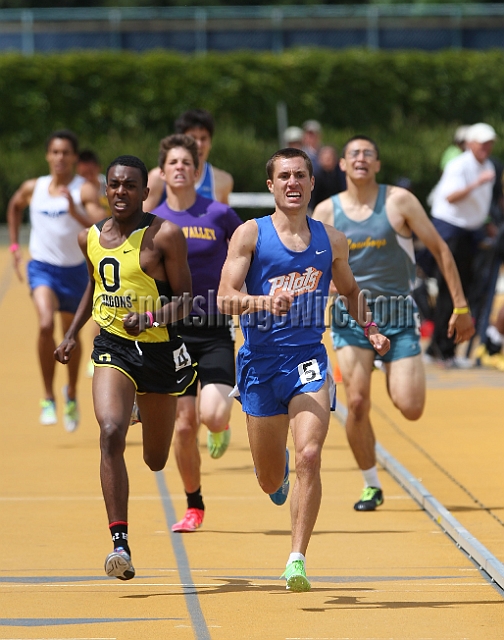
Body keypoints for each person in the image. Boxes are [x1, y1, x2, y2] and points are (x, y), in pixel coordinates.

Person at [217, 147, 390, 591]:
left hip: (308, 359)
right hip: (258, 366)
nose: (293, 183)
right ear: (271, 185)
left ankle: (296, 558)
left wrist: (370, 329)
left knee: (310, 456)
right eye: (284, 177)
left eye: (300, 176)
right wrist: (261, 302)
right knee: (270, 477)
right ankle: (276, 481)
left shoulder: (330, 239)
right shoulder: (249, 235)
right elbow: (224, 298)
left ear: (313, 184)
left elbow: (350, 289)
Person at [312, 135, 475, 512]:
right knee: (355, 401)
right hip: (351, 318)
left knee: (410, 406)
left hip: (398, 315)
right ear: (342, 164)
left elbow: (440, 249)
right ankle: (371, 484)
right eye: (354, 153)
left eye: (369, 153)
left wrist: (461, 306)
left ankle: (393, 370)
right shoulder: (325, 213)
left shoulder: (399, 201)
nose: (361, 159)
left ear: (378, 165)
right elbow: (309, 266)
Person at [54, 155, 195, 581]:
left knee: (154, 459)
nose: (120, 192)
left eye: (129, 185)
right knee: (110, 431)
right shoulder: (89, 237)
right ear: (105, 188)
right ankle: (120, 544)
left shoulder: (164, 235)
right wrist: (72, 333)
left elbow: (189, 301)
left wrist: (151, 318)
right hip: (112, 346)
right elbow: (94, 284)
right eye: (114, 185)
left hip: (158, 353)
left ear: (144, 191)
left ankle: (137, 405)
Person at [151, 133, 242, 533]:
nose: (180, 168)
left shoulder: (219, 214)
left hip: (214, 328)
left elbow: (249, 252)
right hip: (172, 334)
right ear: (163, 171)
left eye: (187, 162)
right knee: (184, 426)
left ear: (197, 168)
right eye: (173, 162)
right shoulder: (150, 220)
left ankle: (220, 427)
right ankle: (194, 504)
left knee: (213, 415)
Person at [7, 129, 105, 431]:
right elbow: (14, 207)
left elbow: (101, 223)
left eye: (66, 153)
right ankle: (48, 396)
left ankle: (72, 393)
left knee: (69, 337)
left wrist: (74, 210)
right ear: (48, 155)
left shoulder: (83, 189)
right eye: (55, 152)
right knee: (46, 324)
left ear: (74, 157)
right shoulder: (33, 187)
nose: (60, 157)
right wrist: (14, 247)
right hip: (42, 268)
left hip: (75, 272)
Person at [426, 122, 496, 365]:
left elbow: (478, 203)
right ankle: (443, 349)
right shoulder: (460, 165)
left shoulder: (485, 165)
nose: (488, 147)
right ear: (471, 144)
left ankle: (441, 348)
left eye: (491, 143)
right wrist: (477, 183)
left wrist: (486, 222)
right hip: (451, 229)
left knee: (464, 289)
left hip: (470, 230)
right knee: (451, 289)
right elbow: (451, 197)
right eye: (483, 142)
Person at [144, 108, 233, 211]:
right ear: (180, 141)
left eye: (203, 138)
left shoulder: (222, 180)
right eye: (193, 138)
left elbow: (225, 224)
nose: (198, 144)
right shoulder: (157, 178)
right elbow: (141, 223)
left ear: (210, 143)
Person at [309, 145, 346, 211]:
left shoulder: (341, 175)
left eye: (330, 158)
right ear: (320, 160)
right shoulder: (316, 177)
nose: (328, 161)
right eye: (326, 159)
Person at [77, 149, 110, 214]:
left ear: (99, 168)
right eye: (84, 174)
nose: (88, 178)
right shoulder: (75, 190)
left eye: (91, 173)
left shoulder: (110, 185)